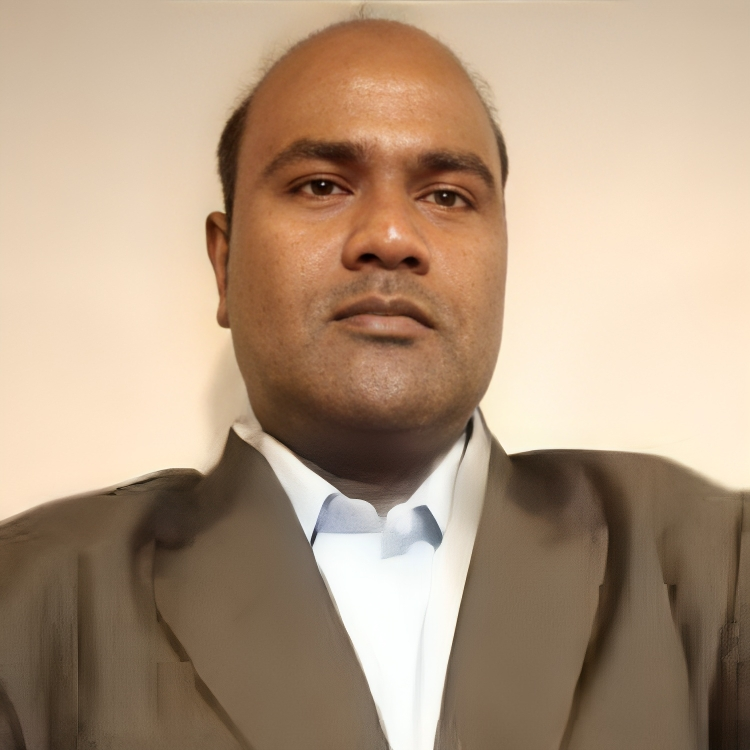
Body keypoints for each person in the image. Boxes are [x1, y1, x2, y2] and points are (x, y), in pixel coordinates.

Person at [0, 17, 746, 750]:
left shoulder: (712, 568)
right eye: (322, 185)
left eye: (446, 196)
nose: (390, 237)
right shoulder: (31, 598)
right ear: (224, 265)